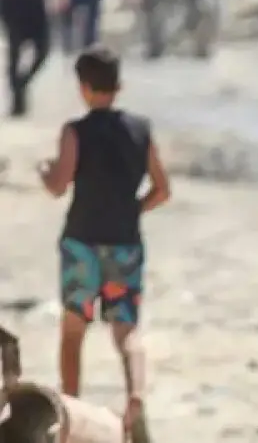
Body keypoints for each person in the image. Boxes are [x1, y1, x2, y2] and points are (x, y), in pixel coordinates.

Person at [36, 45, 170, 437]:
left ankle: (70, 409)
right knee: (126, 329)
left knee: (74, 329)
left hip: (81, 241)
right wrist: (133, 210)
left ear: (83, 88)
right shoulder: (140, 130)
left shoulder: (75, 132)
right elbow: (162, 189)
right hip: (125, 242)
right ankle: (136, 398)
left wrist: (44, 170)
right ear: (119, 86)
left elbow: (59, 185)